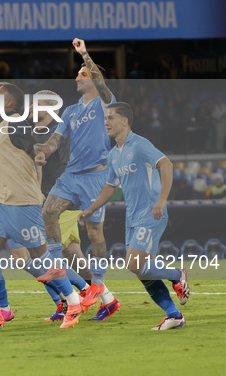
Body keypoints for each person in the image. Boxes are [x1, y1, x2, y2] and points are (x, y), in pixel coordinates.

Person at [0, 83, 82, 330]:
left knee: (41, 258)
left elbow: (33, 143)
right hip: (2, 198)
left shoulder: (18, 123)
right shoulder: (0, 126)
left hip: (23, 201)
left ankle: (74, 300)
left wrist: (38, 152)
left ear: (9, 104)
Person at [78, 102, 190, 330]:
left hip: (152, 212)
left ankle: (177, 274)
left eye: (111, 118)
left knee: (133, 263)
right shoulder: (113, 154)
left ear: (125, 121)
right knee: (140, 271)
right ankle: (174, 315)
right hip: (133, 217)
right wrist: (91, 208)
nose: (106, 122)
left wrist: (162, 199)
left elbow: (166, 164)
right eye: (105, 118)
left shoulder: (139, 145)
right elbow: (110, 186)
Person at [35, 38, 115, 312]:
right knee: (48, 212)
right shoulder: (70, 111)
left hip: (96, 176)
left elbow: (102, 84)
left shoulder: (105, 103)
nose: (77, 77)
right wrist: (44, 151)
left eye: (82, 74)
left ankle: (98, 284)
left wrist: (84, 54)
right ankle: (57, 266)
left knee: (95, 234)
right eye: (78, 73)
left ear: (93, 78)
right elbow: (56, 140)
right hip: (71, 175)